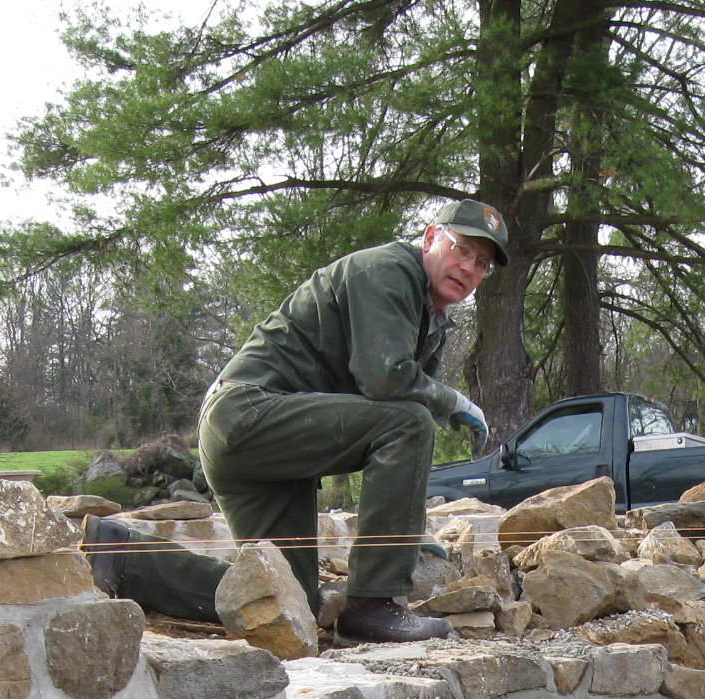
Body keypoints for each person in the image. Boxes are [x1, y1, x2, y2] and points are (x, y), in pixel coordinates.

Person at [84, 201, 507, 644]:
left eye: (482, 264)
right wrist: (454, 401)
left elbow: (396, 424)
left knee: (287, 602)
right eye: (461, 248)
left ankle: (120, 555)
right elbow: (386, 380)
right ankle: (374, 608)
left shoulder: (432, 320)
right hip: (249, 414)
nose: (469, 267)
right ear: (429, 238)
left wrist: (403, 530)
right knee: (412, 423)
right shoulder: (386, 272)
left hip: (268, 439)